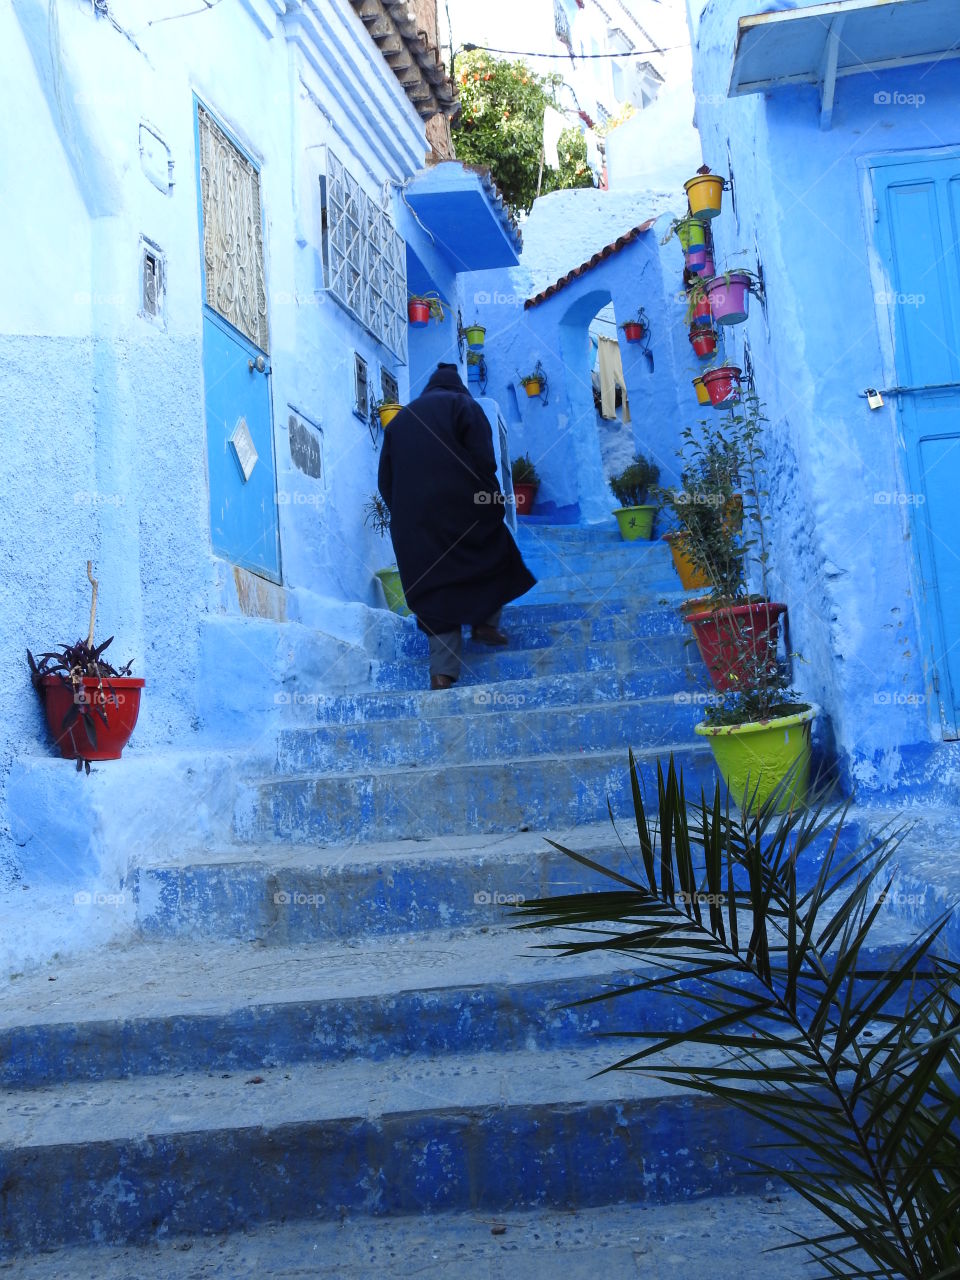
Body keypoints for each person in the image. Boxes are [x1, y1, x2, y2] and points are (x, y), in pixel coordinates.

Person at [377, 362, 536, 689]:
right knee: (493, 551)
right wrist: (489, 501)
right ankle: (485, 625)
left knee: (434, 583)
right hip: (463, 507)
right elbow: (485, 461)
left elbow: (385, 481)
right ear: (456, 386)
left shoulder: (400, 420)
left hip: (415, 523)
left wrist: (408, 517)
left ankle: (442, 672)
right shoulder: (465, 405)